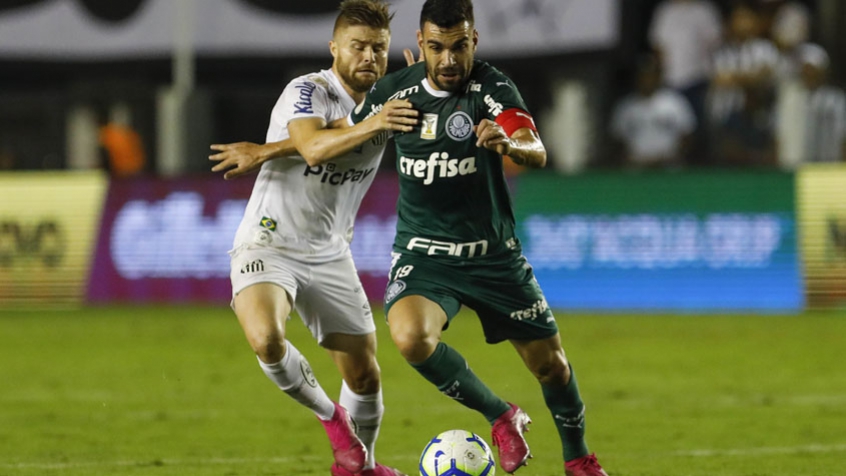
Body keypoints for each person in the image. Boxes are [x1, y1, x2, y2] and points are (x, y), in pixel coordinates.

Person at [346, 1, 607, 475]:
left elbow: (535, 148)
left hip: (493, 257)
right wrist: (273, 150)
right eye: (436, 48)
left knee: (551, 367)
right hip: (425, 256)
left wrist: (509, 144)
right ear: (421, 42)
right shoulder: (394, 92)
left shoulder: (492, 87)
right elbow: (338, 140)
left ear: (474, 41)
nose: (448, 60)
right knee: (410, 337)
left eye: (459, 47)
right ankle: (501, 415)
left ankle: (578, 460)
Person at [210, 2, 417, 475]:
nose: (369, 57)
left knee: (364, 373)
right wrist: (376, 122)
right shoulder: (307, 90)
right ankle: (332, 420)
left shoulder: (386, 98)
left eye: (378, 48)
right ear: (334, 49)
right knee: (266, 338)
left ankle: (362, 467)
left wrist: (432, 88)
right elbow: (314, 147)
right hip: (269, 243)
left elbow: (355, 128)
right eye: (358, 46)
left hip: (329, 252)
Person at [610, 54, 697, 169]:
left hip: (668, 166)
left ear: (658, 76)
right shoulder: (626, 106)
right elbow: (617, 139)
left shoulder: (674, 102)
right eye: (643, 75)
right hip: (636, 167)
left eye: (651, 75)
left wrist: (675, 156)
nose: (647, 80)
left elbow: (687, 135)